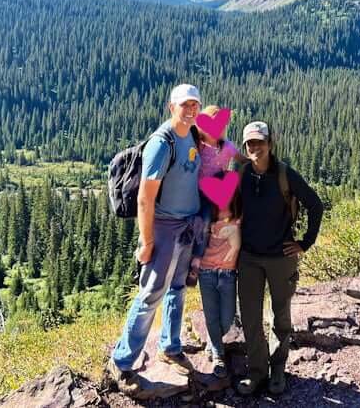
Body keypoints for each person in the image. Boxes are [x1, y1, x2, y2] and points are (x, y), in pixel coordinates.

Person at [107, 84, 202, 391]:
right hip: (163, 228)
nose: (190, 109)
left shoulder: (193, 136)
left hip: (186, 226)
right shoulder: (162, 143)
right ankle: (122, 362)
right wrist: (147, 242)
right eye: (184, 104)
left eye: (194, 104)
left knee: (177, 289)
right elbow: (145, 200)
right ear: (170, 107)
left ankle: (171, 346)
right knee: (150, 295)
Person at [235, 121, 323, 397]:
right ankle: (257, 372)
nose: (255, 147)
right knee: (250, 317)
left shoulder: (286, 175)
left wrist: (304, 243)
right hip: (248, 257)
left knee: (280, 316)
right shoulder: (241, 174)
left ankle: (278, 370)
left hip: (280, 258)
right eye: (250, 143)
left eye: (260, 142)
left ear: (270, 144)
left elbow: (315, 205)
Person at [193, 106, 243, 378]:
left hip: (221, 198)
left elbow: (242, 164)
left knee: (225, 318)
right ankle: (216, 351)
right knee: (201, 234)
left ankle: (217, 343)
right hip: (201, 201)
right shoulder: (196, 146)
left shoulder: (228, 147)